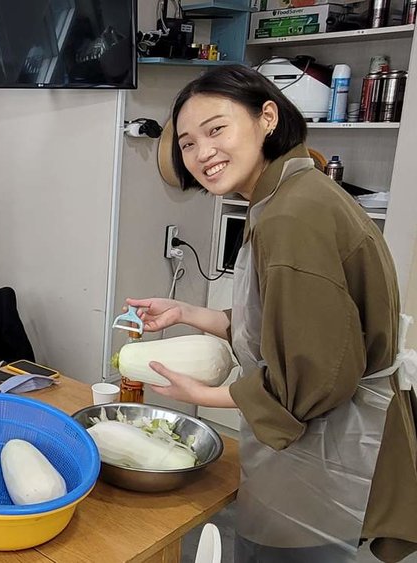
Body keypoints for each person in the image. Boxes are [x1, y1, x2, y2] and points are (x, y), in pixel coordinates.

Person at [126, 65, 417, 562]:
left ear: (266, 117)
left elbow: (317, 376)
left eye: (216, 129)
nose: (202, 154)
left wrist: (207, 395)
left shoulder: (291, 215)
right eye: (188, 143)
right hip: (323, 444)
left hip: (321, 458)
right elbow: (288, 327)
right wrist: (191, 313)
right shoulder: (289, 194)